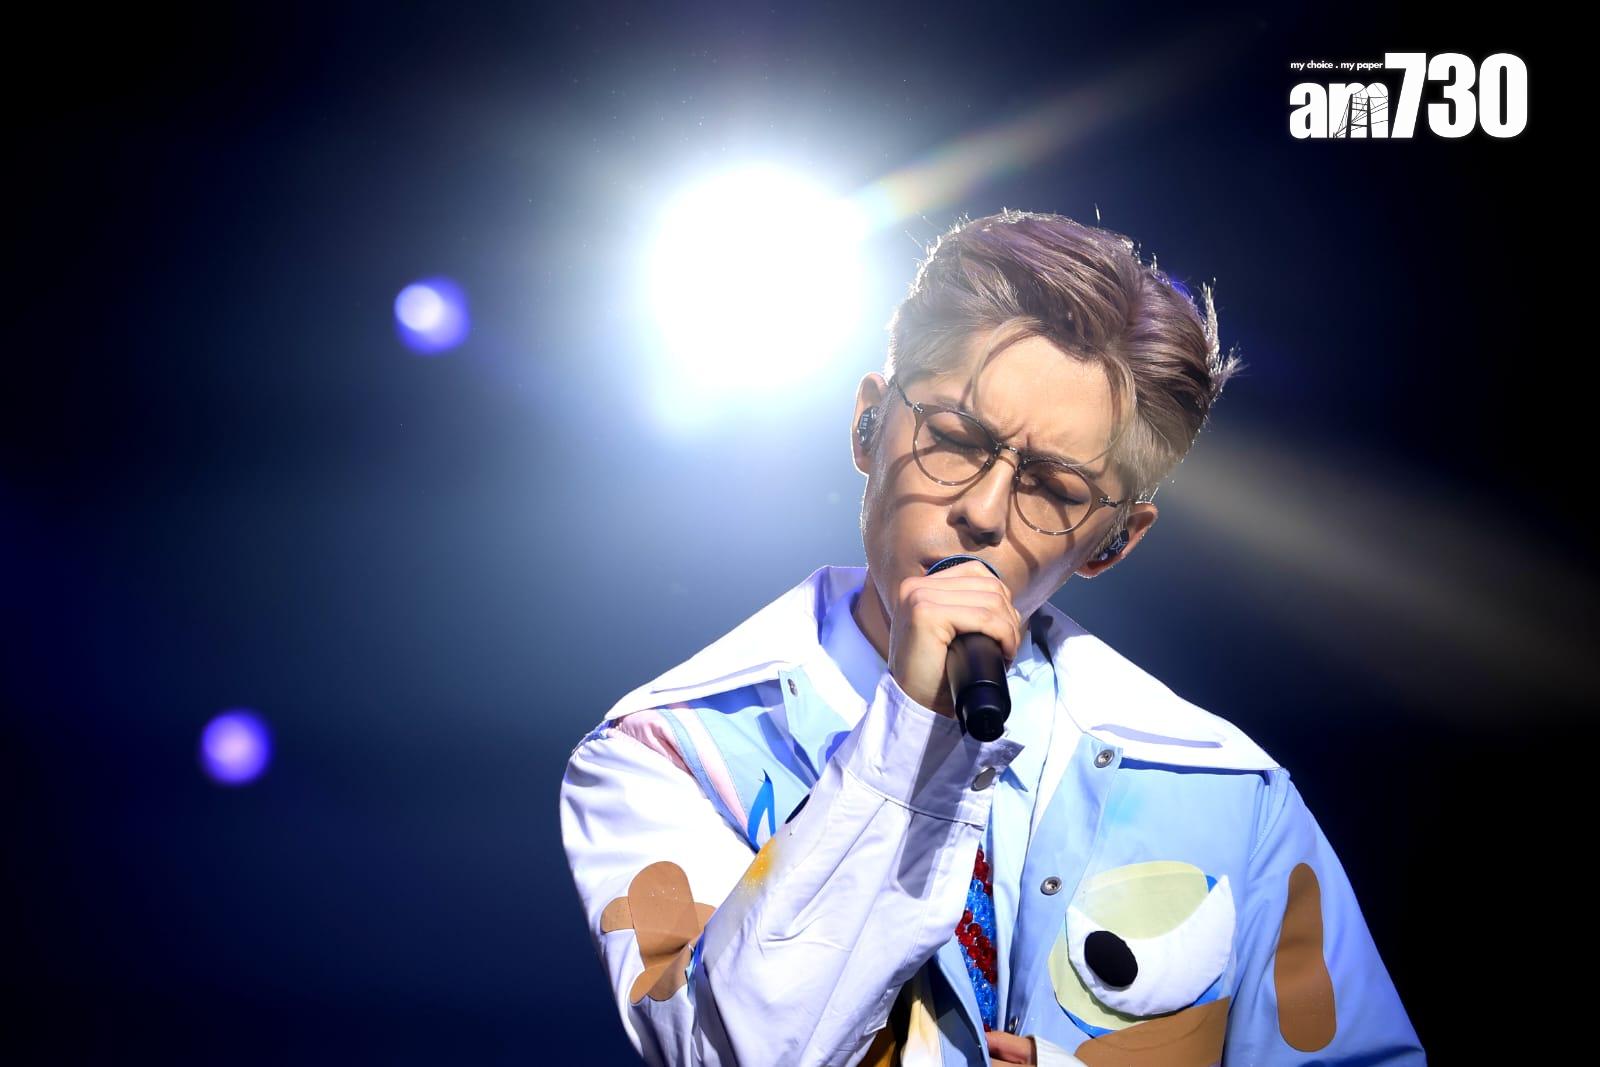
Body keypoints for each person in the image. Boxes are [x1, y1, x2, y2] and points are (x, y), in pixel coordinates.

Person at [558, 210, 1424, 1065]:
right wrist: (910, 735)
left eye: (1052, 487)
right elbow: (730, 1055)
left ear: (1112, 542)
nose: (980, 510)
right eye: (952, 438)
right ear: (867, 425)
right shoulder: (666, 753)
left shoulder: (1230, 793)